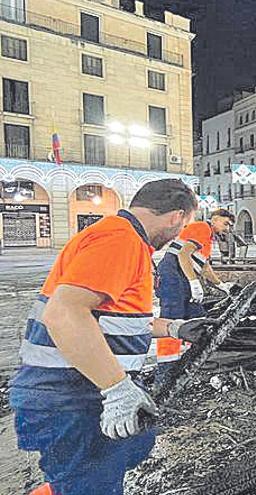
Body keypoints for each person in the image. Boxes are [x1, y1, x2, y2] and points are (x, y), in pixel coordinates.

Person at [10, 179, 202, 495]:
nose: (179, 234)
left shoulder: (123, 239)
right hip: (69, 397)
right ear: (176, 217)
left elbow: (113, 319)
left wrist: (173, 328)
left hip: (71, 392)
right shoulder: (120, 240)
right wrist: (116, 389)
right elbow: (64, 314)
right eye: (184, 224)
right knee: (89, 481)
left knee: (100, 466)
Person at [155, 209, 236, 366]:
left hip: (181, 276)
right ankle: (167, 362)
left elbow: (204, 267)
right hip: (172, 274)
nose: (227, 228)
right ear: (214, 219)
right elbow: (183, 254)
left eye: (230, 226)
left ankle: (192, 355)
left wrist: (221, 285)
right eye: (225, 223)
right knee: (171, 317)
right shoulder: (202, 228)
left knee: (197, 316)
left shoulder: (208, 239)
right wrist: (194, 282)